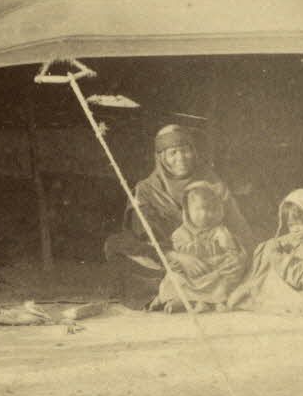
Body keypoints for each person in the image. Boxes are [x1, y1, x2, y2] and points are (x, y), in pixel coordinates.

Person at [103, 124, 252, 309]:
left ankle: (183, 296)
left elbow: (239, 227)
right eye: (173, 153)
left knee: (253, 260)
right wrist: (178, 257)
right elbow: (143, 235)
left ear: (194, 152)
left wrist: (240, 257)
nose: (181, 158)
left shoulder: (213, 184)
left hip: (213, 259)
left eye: (185, 151)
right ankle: (194, 295)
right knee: (117, 247)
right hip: (168, 260)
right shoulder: (146, 190)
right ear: (161, 158)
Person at [227, 189, 303, 314]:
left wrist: (280, 258)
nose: (295, 229)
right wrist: (273, 248)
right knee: (268, 251)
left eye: (301, 224)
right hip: (294, 285)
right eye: (291, 225)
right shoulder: (296, 239)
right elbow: (272, 247)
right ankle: (251, 288)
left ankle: (254, 291)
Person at [149, 181, 246, 313]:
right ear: (188, 211)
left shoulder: (220, 231)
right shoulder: (180, 233)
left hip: (213, 273)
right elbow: (176, 259)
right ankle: (182, 301)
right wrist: (179, 264)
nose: (205, 214)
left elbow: (231, 252)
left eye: (210, 209)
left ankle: (209, 302)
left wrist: (228, 260)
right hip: (190, 276)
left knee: (225, 280)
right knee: (174, 279)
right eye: (199, 209)